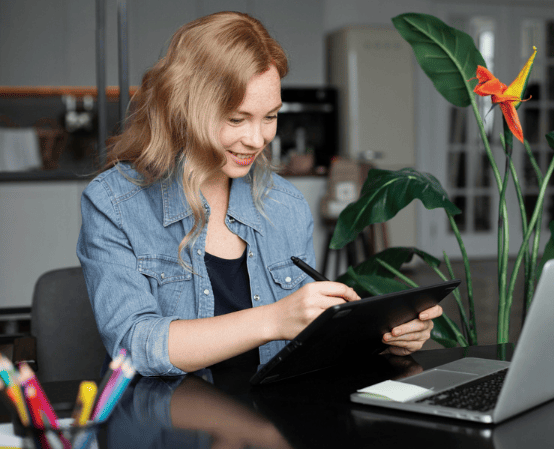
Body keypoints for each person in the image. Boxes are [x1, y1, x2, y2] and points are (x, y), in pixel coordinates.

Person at [77, 11, 440, 377]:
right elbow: (135, 345)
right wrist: (274, 320)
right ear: (183, 109)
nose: (257, 139)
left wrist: (383, 334)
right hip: (173, 425)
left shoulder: (285, 205)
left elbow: (309, 343)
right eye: (236, 119)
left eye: (270, 116)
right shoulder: (114, 203)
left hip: (273, 421)